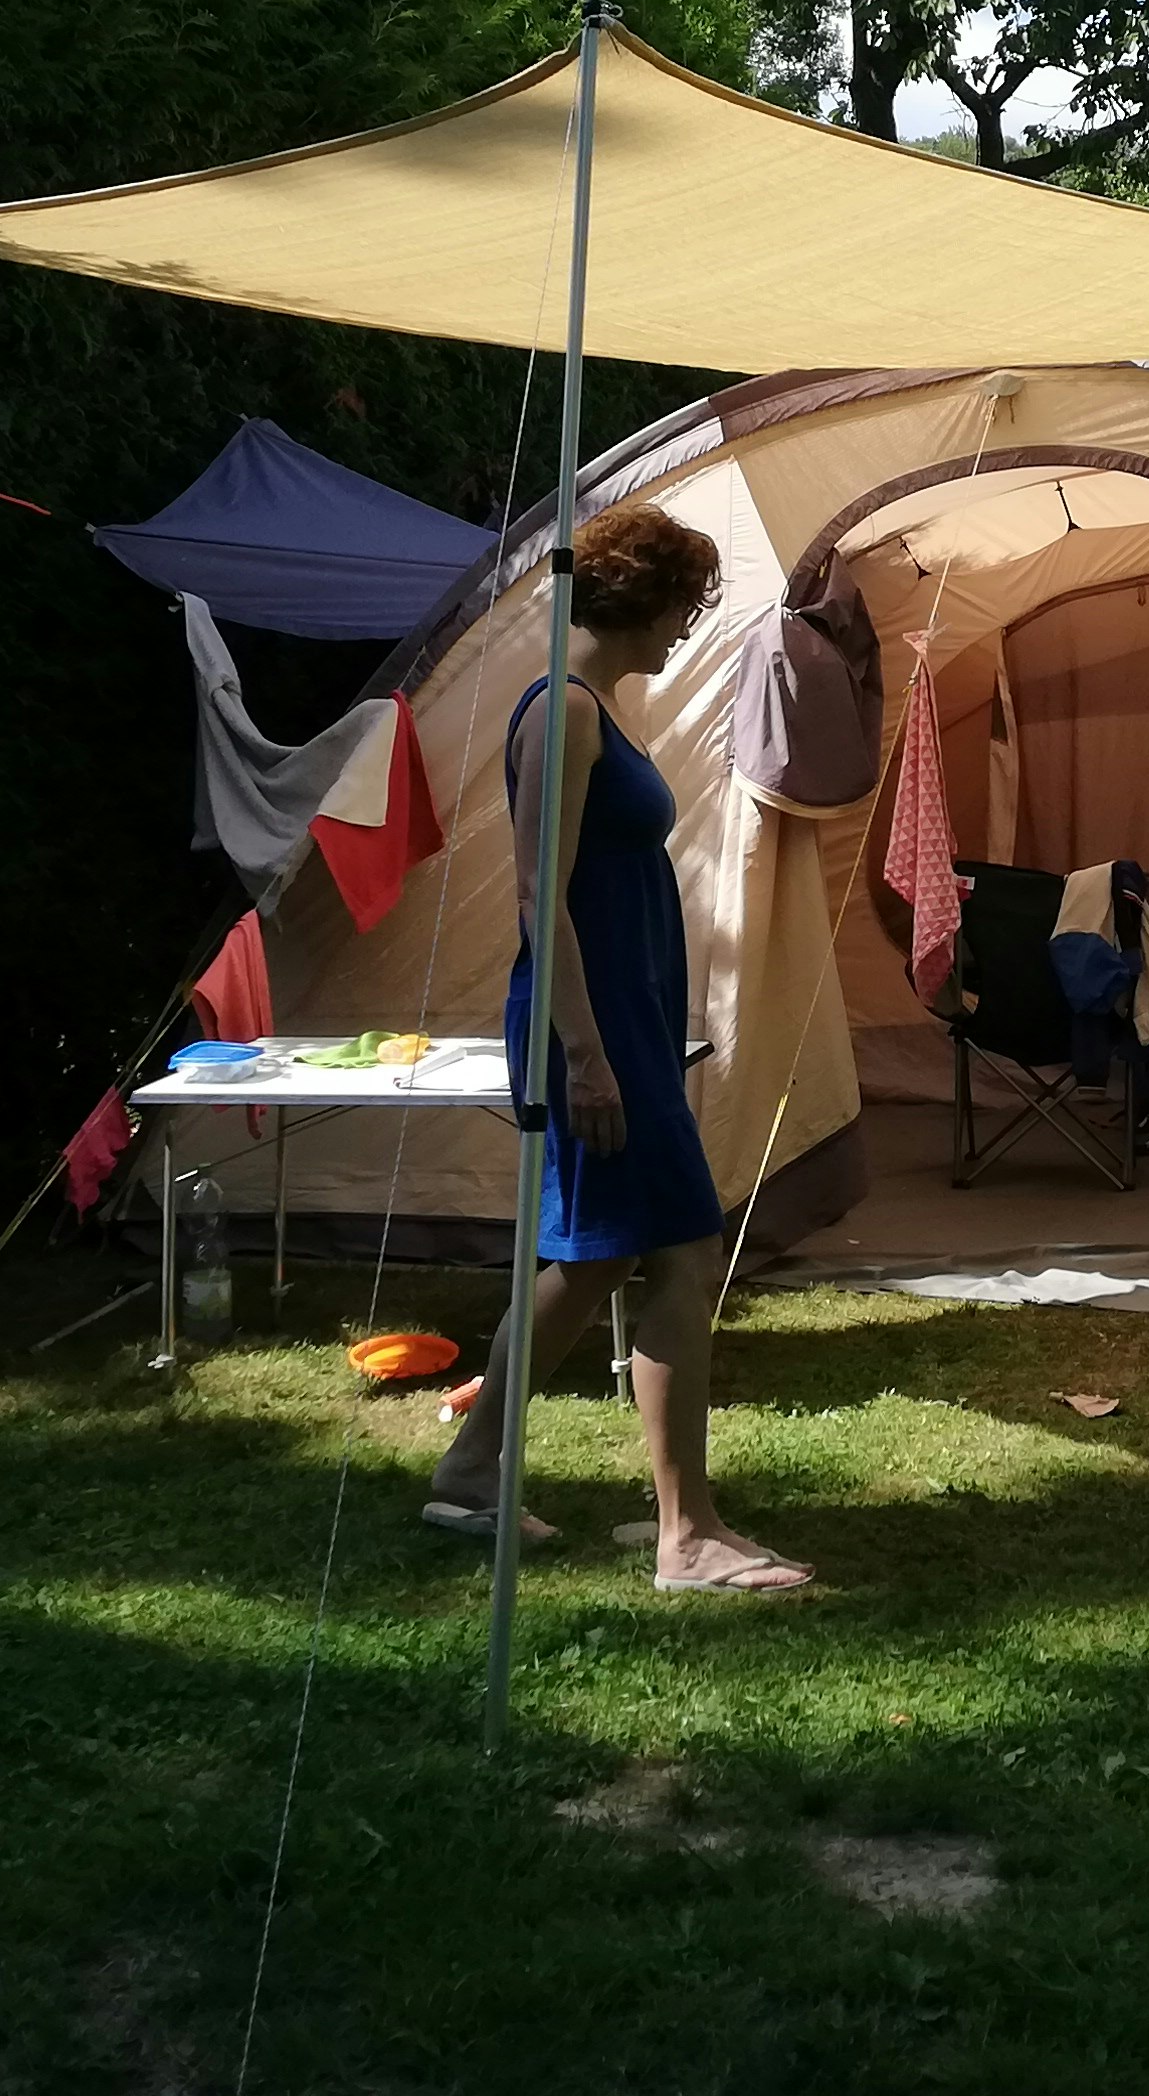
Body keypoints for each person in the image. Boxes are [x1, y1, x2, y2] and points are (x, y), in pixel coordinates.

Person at [421, 501, 812, 1594]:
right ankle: (688, 1537)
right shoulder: (562, 714)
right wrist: (587, 1055)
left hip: (621, 1016)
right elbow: (539, 900)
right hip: (588, 1024)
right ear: (642, 600)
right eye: (683, 606)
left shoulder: (593, 708)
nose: (686, 628)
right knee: (680, 1252)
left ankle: (472, 1470)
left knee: (596, 1256)